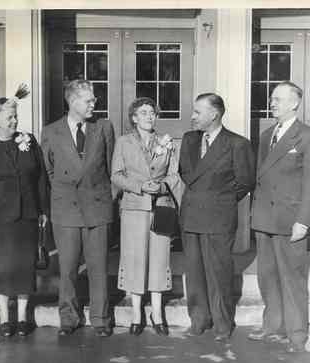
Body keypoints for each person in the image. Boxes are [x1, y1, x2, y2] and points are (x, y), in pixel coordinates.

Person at [179, 93, 255, 342]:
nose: (193, 117)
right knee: (194, 272)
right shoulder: (189, 139)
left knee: (219, 272)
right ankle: (198, 319)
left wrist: (219, 200)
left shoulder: (237, 144)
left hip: (219, 217)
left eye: (198, 112)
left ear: (214, 114)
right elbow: (184, 172)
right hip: (191, 216)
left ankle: (223, 324)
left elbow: (245, 182)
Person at [0, 87, 48, 338]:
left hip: (27, 214)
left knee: (25, 265)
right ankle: (6, 316)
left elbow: (40, 178)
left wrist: (42, 210)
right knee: (3, 267)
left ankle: (24, 315)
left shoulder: (28, 141)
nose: (14, 121)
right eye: (9, 117)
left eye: (15, 117)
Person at [41, 79, 114, 337]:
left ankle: (101, 318)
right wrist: (64, 194)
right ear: (72, 102)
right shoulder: (51, 131)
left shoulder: (103, 127)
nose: (94, 104)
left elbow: (111, 168)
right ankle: (69, 318)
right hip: (66, 209)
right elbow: (49, 171)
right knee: (68, 268)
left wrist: (104, 197)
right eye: (89, 100)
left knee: (98, 267)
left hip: (98, 208)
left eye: (94, 99)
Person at [111, 97, 180, 336]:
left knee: (159, 260)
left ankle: (157, 313)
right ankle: (137, 313)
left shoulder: (167, 142)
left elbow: (174, 175)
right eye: (143, 112)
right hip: (133, 208)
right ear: (134, 117)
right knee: (135, 259)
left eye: (152, 112)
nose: (149, 116)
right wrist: (141, 186)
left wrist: (161, 188)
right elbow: (116, 176)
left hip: (160, 207)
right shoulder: (123, 142)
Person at [249, 81, 310, 353]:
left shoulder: (306, 136)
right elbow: (260, 178)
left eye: (278, 99)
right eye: (272, 99)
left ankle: (297, 335)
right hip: (264, 219)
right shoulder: (265, 135)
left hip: (291, 221)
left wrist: (304, 221)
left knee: (293, 278)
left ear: (294, 103)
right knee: (267, 276)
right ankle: (273, 327)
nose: (272, 103)